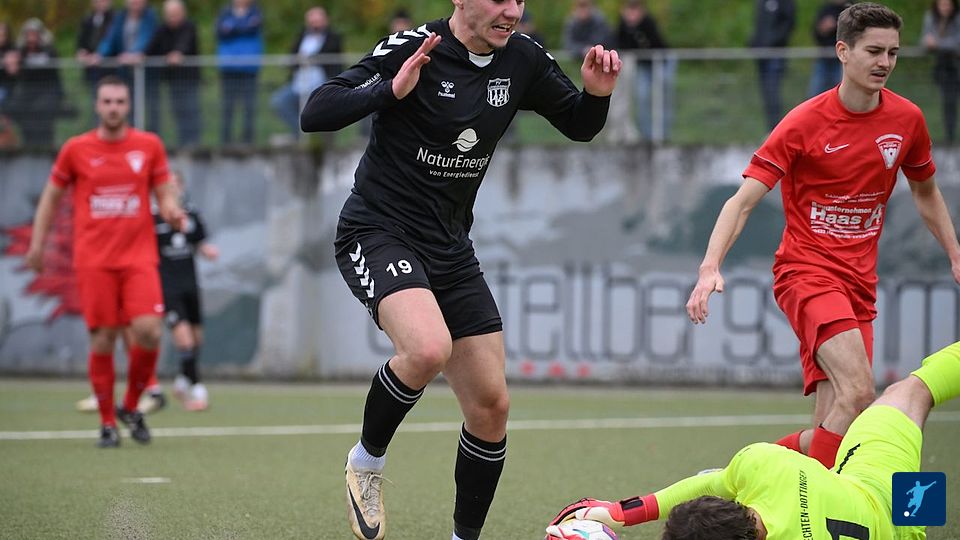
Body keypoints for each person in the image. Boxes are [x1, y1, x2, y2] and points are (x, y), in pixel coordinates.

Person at [299, 0, 622, 538]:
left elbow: (579, 124)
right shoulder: (414, 47)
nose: (512, 10)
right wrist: (389, 90)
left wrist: (596, 95)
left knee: (491, 406)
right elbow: (315, 111)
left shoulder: (522, 58)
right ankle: (366, 462)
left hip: (450, 247)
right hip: (377, 231)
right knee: (428, 349)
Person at [686, 3, 960, 469]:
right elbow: (742, 201)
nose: (885, 63)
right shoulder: (803, 123)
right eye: (873, 51)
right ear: (842, 51)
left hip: (860, 285)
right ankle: (752, 482)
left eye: (893, 53)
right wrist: (710, 267)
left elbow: (926, 192)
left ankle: (750, 479)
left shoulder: (907, 119)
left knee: (839, 420)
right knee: (860, 391)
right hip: (807, 273)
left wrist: (954, 254)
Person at [547, 341, 960, 540]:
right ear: (737, 506)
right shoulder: (765, 464)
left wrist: (620, 515)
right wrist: (620, 512)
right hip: (878, 487)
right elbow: (712, 482)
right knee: (913, 392)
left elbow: (711, 485)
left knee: (915, 520)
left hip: (902, 526)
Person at [26, 75, 185, 448]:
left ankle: (130, 404)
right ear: (97, 106)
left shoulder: (148, 145)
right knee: (103, 338)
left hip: (138, 256)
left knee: (149, 330)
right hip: (94, 259)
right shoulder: (75, 149)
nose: (113, 108)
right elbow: (51, 198)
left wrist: (172, 210)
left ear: (128, 106)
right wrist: (37, 245)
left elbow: (164, 192)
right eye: (107, 101)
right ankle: (107, 423)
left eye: (120, 102)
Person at [154, 170, 218, 411]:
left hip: (190, 284)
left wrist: (207, 250)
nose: (172, 189)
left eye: (176, 185)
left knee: (196, 339)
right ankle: (198, 390)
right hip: (167, 288)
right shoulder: (153, 217)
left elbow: (199, 242)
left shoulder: (191, 214)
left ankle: (182, 380)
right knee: (185, 340)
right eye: (167, 185)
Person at [270, 6, 342, 139]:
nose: (315, 24)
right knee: (279, 101)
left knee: (323, 112)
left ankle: (319, 139)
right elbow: (293, 56)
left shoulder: (333, 37)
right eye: (312, 21)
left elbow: (330, 53)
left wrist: (308, 58)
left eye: (318, 21)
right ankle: (300, 132)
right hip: (298, 84)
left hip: (322, 85)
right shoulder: (301, 36)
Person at [93, 0, 159, 129]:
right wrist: (99, 54)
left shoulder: (150, 17)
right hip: (125, 71)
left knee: (152, 108)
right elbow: (110, 39)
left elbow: (147, 37)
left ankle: (152, 134)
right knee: (126, 106)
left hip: (147, 73)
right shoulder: (120, 18)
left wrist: (133, 54)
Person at [145, 0, 202, 147]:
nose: (172, 18)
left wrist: (178, 53)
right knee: (178, 112)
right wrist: (140, 56)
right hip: (172, 80)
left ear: (183, 13)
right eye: (169, 14)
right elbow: (151, 47)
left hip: (189, 80)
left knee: (191, 112)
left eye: (175, 14)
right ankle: (183, 143)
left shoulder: (189, 26)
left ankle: (193, 144)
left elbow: (185, 43)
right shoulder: (162, 29)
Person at [615, 0, 674, 141]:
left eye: (635, 10)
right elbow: (622, 45)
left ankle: (663, 134)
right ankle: (646, 135)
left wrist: (637, 27)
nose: (632, 14)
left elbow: (655, 44)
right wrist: (630, 28)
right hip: (643, 66)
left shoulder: (648, 22)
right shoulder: (623, 25)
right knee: (642, 97)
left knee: (662, 96)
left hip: (661, 63)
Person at [1, 19, 64, 149]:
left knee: (42, 116)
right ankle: (27, 145)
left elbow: (54, 74)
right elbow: (14, 72)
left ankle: (46, 147)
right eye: (28, 35)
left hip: (48, 92)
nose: (31, 39)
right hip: (28, 93)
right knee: (16, 109)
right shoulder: (21, 52)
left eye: (34, 34)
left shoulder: (49, 51)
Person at [216, 0, 263, 145]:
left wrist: (233, 27)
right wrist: (244, 26)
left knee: (249, 106)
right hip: (228, 68)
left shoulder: (256, 12)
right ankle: (225, 141)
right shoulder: (225, 12)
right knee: (227, 106)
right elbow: (220, 31)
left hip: (249, 68)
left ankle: (248, 141)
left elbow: (253, 28)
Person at [749, 0, 796, 132]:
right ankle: (770, 129)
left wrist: (771, 42)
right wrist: (755, 42)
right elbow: (760, 25)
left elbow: (788, 24)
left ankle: (776, 129)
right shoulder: (762, 2)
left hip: (776, 54)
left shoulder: (786, 3)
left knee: (773, 91)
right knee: (766, 93)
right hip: (762, 55)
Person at [922, 0, 960, 143]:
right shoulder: (931, 17)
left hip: (956, 65)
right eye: (942, 4)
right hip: (944, 68)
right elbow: (925, 41)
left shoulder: (957, 19)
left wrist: (937, 43)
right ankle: (949, 136)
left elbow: (957, 43)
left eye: (948, 4)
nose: (945, 8)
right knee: (948, 103)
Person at [76, 0, 116, 118]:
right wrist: (82, 52)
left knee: (113, 102)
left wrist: (100, 56)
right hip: (92, 70)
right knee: (97, 103)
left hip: (110, 69)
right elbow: (81, 39)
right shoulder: (88, 19)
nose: (100, 3)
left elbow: (112, 41)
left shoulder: (115, 19)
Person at [808, 0, 850, 97]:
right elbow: (816, 33)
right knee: (815, 92)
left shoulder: (851, 9)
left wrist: (838, 25)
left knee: (842, 92)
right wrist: (822, 29)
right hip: (824, 57)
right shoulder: (825, 9)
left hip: (843, 60)